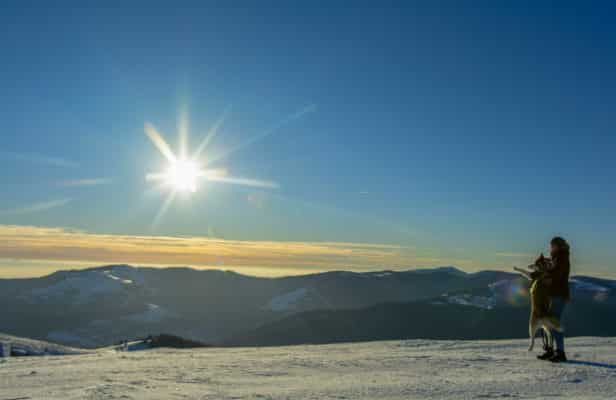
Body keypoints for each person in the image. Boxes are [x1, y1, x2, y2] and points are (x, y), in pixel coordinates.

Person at [537, 236, 571, 362]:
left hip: (558, 294)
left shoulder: (561, 257)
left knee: (554, 322)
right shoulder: (558, 257)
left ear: (557, 246)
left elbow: (556, 274)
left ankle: (560, 352)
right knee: (549, 322)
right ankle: (551, 350)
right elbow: (554, 271)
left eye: (552, 245)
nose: (550, 247)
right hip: (555, 294)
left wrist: (544, 272)